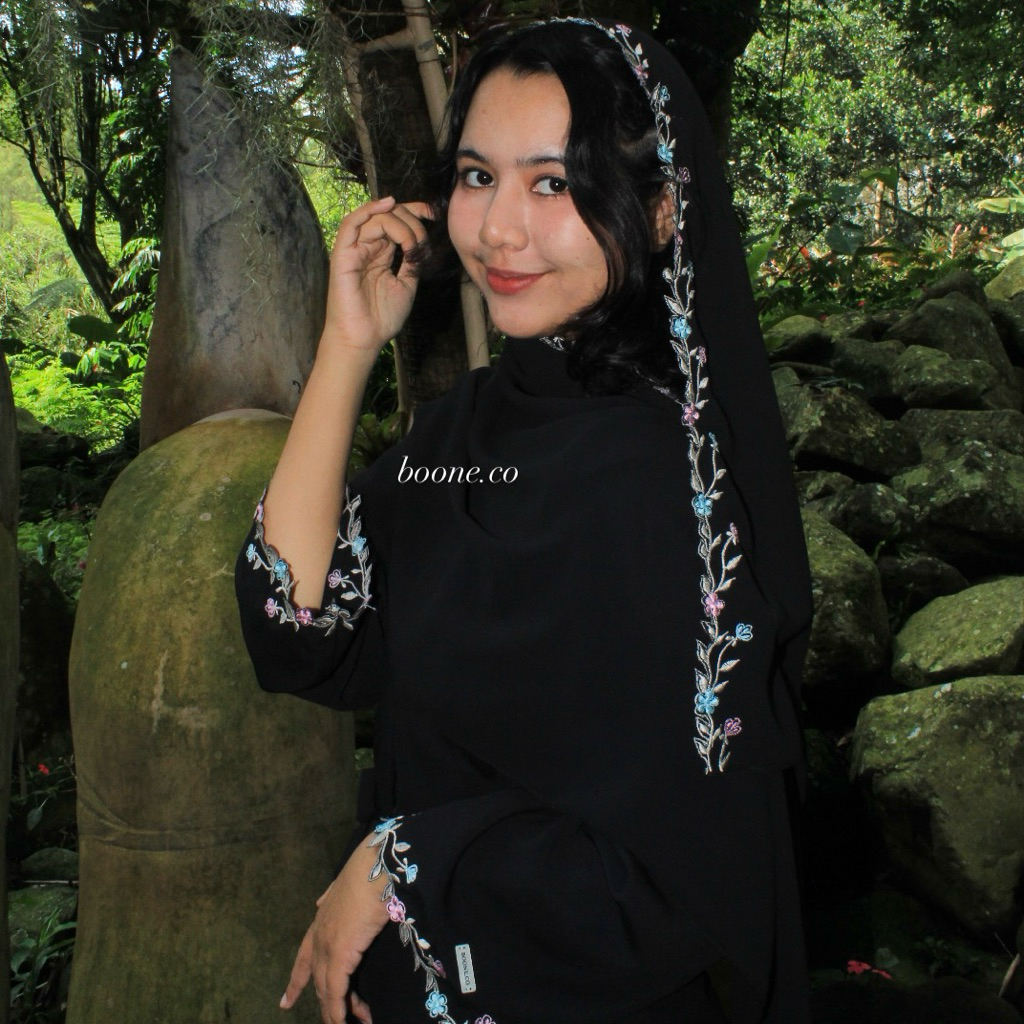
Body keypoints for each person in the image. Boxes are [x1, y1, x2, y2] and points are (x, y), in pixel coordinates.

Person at [235, 17, 813, 1024]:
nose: (499, 228)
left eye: (552, 183)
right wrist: (348, 345)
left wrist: (405, 863)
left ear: (661, 211)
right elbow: (299, 632)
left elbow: (691, 885)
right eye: (477, 175)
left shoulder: (666, 487)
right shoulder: (468, 433)